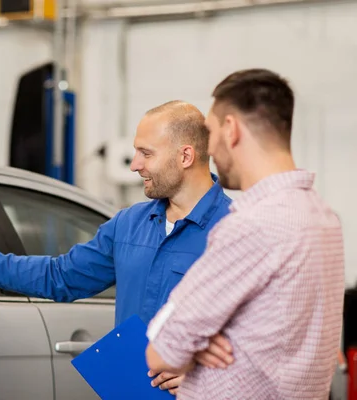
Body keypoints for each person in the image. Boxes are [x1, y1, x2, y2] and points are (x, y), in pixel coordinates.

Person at [0, 100, 232, 395]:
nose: (135, 165)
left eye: (146, 154)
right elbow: (60, 276)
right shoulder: (129, 224)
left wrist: (209, 375)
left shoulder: (235, 231)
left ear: (185, 156)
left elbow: (268, 332)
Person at [145, 69, 345, 399]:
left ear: (231, 129)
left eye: (209, 132)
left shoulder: (251, 224)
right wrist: (205, 341)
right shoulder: (323, 218)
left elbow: (163, 349)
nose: (208, 148)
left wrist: (193, 343)